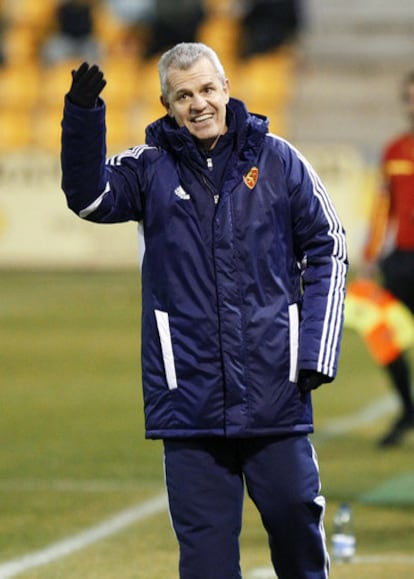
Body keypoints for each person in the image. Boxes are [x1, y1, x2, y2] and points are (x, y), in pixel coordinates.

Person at [60, 42, 348, 578]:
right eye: (184, 95)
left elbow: (328, 244)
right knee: (206, 560)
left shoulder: (279, 159)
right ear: (166, 103)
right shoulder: (147, 169)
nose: (199, 104)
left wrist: (314, 349)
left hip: (274, 393)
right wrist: (82, 117)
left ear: (227, 89)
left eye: (207, 89)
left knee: (295, 527)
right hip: (188, 398)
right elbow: (90, 198)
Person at [362, 70, 414, 447]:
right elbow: (384, 207)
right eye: (409, 97)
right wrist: (371, 253)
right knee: (382, 334)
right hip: (402, 259)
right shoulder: (395, 150)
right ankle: (408, 409)